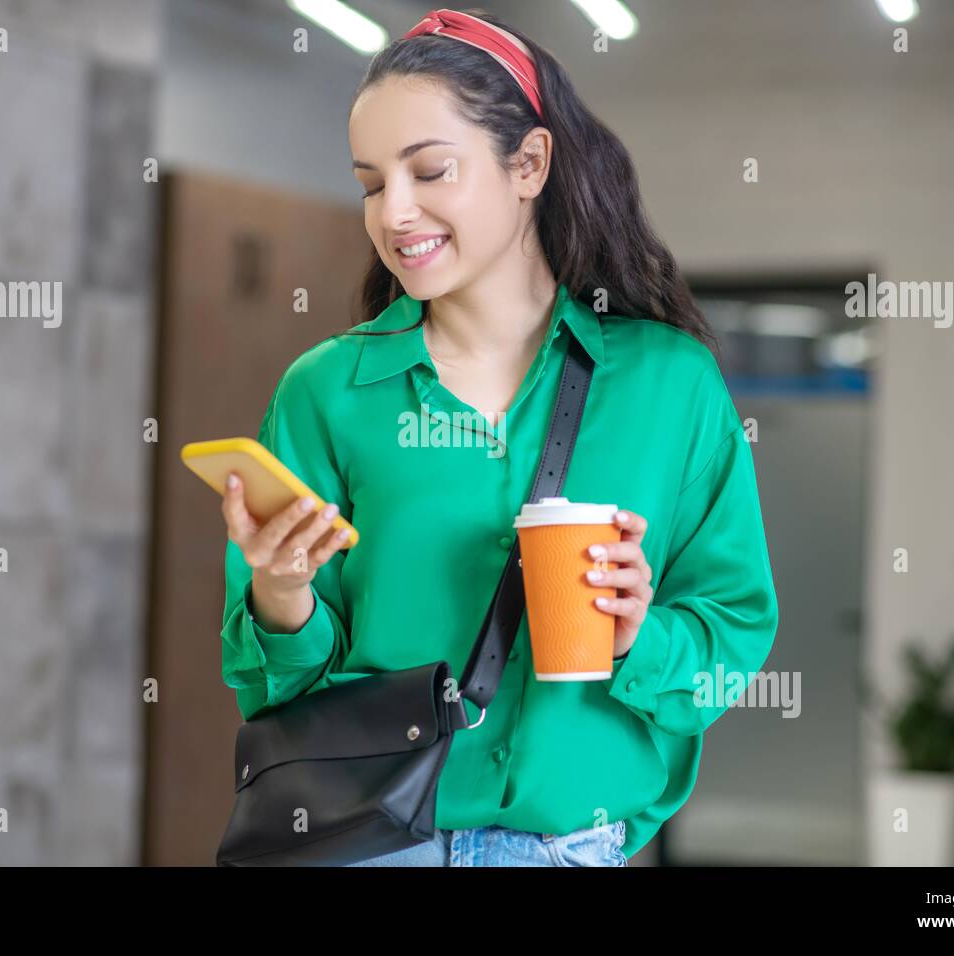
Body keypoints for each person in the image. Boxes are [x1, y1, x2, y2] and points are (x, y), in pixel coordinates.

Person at [219, 7, 779, 867]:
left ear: (529, 163)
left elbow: (731, 637)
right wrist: (282, 591)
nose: (394, 212)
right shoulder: (328, 391)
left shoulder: (671, 387)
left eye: (430, 171)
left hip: (570, 849)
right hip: (368, 847)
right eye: (371, 184)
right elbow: (276, 687)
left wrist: (640, 633)